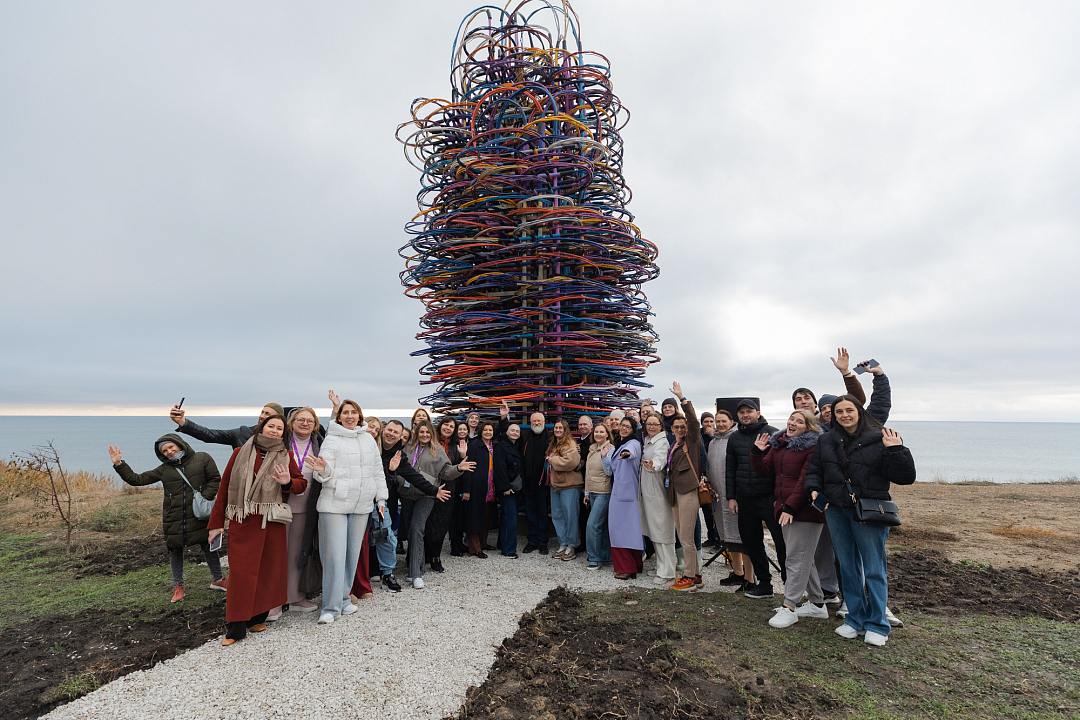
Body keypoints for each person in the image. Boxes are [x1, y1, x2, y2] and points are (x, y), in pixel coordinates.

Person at [804, 395, 916, 646]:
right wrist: (813, 489)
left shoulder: (879, 437)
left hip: (869, 510)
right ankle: (854, 619)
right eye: (839, 411)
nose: (844, 415)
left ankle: (878, 624)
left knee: (874, 568)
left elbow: (905, 477)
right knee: (848, 567)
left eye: (849, 410)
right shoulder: (826, 440)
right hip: (836, 509)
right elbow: (815, 471)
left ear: (859, 411)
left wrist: (897, 450)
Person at [208, 414, 305, 645]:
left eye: (279, 428)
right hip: (243, 521)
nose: (274, 431)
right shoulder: (239, 453)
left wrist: (287, 482)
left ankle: (257, 618)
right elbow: (224, 490)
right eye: (271, 426)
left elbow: (301, 484)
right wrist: (215, 525)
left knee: (267, 571)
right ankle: (236, 626)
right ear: (261, 428)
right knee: (240, 575)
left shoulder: (286, 455)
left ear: (283, 433)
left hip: (271, 523)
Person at [108, 435, 225, 602]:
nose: (169, 452)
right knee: (175, 550)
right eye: (164, 451)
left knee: (209, 545)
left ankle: (218, 579)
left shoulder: (202, 458)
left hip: (200, 513)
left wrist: (203, 498)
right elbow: (137, 479)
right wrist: (119, 464)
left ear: (180, 444)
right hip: (174, 517)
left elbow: (214, 479)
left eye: (171, 447)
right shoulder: (164, 469)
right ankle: (179, 587)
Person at [305, 400, 383, 624]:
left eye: (353, 412)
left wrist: (381, 498)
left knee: (351, 555)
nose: (350, 416)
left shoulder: (368, 439)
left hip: (361, 505)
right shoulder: (332, 438)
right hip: (334, 505)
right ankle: (330, 607)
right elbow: (323, 471)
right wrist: (324, 470)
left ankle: (344, 599)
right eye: (345, 412)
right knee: (334, 557)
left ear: (359, 416)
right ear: (339, 417)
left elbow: (377, 470)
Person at [750, 409, 825, 628]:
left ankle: (789, 607)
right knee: (804, 558)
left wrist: (790, 507)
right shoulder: (780, 444)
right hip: (784, 509)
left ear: (809, 427)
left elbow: (805, 480)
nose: (792, 423)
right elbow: (763, 471)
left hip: (805, 511)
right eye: (792, 419)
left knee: (794, 559)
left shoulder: (813, 447)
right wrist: (756, 453)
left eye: (799, 421)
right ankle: (818, 605)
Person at [399, 420, 467, 587]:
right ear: (417, 433)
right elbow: (398, 467)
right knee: (411, 531)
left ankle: (415, 574)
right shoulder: (407, 448)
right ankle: (419, 566)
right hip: (407, 495)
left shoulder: (438, 450)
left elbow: (446, 472)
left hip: (427, 495)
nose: (424, 435)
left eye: (427, 432)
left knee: (417, 528)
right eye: (421, 432)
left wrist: (459, 468)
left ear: (432, 434)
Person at [726, 399, 782, 599]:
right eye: (741, 412)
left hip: (769, 498)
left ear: (758, 413)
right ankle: (765, 584)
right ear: (737, 416)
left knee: (781, 543)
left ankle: (790, 585)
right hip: (745, 498)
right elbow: (730, 469)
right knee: (752, 543)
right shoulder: (734, 438)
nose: (745, 415)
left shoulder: (773, 434)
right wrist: (731, 497)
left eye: (749, 411)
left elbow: (781, 467)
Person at [376, 420, 433, 591]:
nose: (391, 434)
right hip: (364, 497)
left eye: (396, 432)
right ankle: (371, 571)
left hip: (384, 498)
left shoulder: (399, 455)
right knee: (366, 538)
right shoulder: (372, 447)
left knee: (387, 536)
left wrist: (435, 490)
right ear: (383, 430)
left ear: (401, 437)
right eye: (389, 430)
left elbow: (414, 476)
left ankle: (388, 574)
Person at [277, 407, 322, 617]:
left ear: (315, 425)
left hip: (306, 507)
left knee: (297, 553)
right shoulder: (281, 442)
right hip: (280, 505)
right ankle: (274, 600)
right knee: (277, 553)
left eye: (310, 421)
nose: (305, 423)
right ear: (291, 422)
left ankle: (294, 597)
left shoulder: (320, 444)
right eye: (301, 419)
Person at [706, 409, 754, 590]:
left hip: (735, 496)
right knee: (728, 536)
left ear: (731, 422)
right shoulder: (713, 442)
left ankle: (750, 577)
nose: (719, 424)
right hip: (718, 498)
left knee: (742, 537)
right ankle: (738, 572)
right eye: (717, 421)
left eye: (723, 421)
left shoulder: (736, 439)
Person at [665, 383, 705, 592]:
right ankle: (696, 575)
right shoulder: (675, 444)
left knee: (687, 538)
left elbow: (693, 420)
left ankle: (688, 576)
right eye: (676, 427)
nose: (680, 429)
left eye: (683, 426)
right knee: (683, 536)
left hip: (688, 493)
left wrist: (682, 398)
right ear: (672, 429)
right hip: (675, 494)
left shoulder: (693, 441)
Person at [499, 406, 550, 554]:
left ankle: (543, 542)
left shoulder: (550, 438)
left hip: (543, 484)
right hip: (527, 483)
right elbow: (506, 435)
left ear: (544, 422)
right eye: (534, 421)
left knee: (543, 514)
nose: (536, 423)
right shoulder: (525, 436)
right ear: (530, 422)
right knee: (530, 514)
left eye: (539, 421)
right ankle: (532, 541)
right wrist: (504, 418)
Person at [639, 412, 676, 585]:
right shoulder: (649, 440)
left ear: (661, 426)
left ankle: (667, 571)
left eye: (655, 424)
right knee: (655, 531)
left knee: (662, 531)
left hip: (657, 493)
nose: (651, 427)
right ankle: (661, 566)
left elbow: (661, 459)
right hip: (649, 492)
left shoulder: (661, 442)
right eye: (649, 424)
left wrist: (653, 465)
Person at [609, 417, 644, 579]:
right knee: (629, 529)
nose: (624, 428)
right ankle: (635, 564)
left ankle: (626, 567)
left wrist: (627, 454)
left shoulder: (632, 443)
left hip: (625, 493)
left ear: (633, 430)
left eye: (628, 427)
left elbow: (632, 452)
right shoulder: (620, 442)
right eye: (623, 425)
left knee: (618, 530)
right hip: (623, 490)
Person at [426, 417, 463, 570]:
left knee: (441, 525)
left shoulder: (455, 447)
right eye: (446, 425)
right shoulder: (431, 443)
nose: (448, 428)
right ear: (440, 426)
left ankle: (436, 557)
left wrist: (462, 456)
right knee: (427, 523)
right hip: (429, 488)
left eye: (451, 426)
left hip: (448, 489)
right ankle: (423, 555)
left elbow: (458, 468)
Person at [170, 402, 285, 449]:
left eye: (267, 414)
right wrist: (183, 422)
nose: (262, 416)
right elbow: (210, 435)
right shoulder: (243, 433)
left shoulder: (286, 440)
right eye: (262, 412)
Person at [547, 418, 583, 561]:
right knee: (557, 516)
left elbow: (571, 462)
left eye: (560, 428)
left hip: (570, 485)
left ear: (565, 429)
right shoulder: (553, 444)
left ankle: (572, 546)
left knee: (570, 517)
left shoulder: (570, 443)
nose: (558, 430)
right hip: (556, 485)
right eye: (556, 428)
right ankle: (563, 543)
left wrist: (553, 461)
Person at [461, 422, 498, 557]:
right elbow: (468, 468)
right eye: (485, 430)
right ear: (481, 431)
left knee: (485, 517)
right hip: (475, 487)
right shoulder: (474, 445)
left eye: (490, 430)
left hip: (490, 488)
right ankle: (475, 548)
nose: (488, 432)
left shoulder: (494, 446)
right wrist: (466, 490)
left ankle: (483, 543)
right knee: (474, 518)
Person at [582, 422, 614, 570]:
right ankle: (606, 557)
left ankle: (594, 559)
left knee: (592, 525)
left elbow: (609, 472)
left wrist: (604, 457)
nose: (598, 434)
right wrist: (587, 493)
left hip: (603, 492)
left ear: (607, 434)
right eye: (596, 432)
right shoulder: (592, 449)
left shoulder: (610, 449)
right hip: (593, 492)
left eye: (602, 432)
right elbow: (588, 473)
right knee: (601, 526)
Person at [494, 420, 524, 558]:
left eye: (517, 431)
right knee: (510, 518)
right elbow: (499, 468)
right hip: (508, 487)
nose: (515, 433)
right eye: (512, 430)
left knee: (507, 516)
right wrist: (505, 487)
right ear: (506, 432)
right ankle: (509, 549)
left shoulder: (516, 445)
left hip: (514, 487)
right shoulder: (502, 446)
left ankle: (502, 544)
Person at [447, 420, 472, 557]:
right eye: (460, 429)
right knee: (453, 516)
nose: (462, 431)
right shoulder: (451, 445)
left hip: (465, 484)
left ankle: (460, 541)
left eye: (464, 429)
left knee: (462, 515)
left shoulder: (470, 444)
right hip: (453, 484)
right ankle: (454, 544)